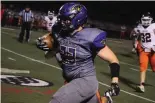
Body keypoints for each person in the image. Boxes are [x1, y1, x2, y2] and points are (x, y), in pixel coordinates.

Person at [36, 2, 120, 103]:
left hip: (85, 81)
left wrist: (115, 82)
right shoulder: (59, 33)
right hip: (71, 80)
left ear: (77, 19)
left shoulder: (89, 37)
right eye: (61, 19)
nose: (62, 22)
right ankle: (107, 100)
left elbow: (113, 59)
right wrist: (49, 48)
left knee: (58, 100)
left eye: (66, 19)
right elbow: (49, 56)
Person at [135, 12, 155, 93]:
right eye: (144, 20)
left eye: (147, 20)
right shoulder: (139, 27)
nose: (145, 21)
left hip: (153, 51)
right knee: (142, 68)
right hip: (143, 51)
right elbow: (134, 35)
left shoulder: (154, 26)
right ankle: (141, 85)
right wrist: (135, 42)